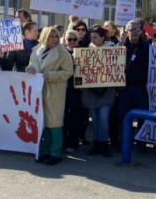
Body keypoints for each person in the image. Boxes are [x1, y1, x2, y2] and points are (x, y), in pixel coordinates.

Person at [26, 26, 74, 165]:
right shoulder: (36, 50)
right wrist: (29, 68)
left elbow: (68, 72)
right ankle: (46, 151)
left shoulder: (62, 53)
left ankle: (56, 153)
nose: (54, 39)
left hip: (54, 91)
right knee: (43, 122)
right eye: (51, 36)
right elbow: (33, 64)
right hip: (38, 91)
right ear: (44, 37)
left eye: (56, 37)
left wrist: (51, 75)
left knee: (55, 123)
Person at [82, 27, 117, 157]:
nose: (92, 40)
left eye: (95, 37)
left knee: (103, 117)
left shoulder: (112, 50)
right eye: (91, 37)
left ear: (103, 38)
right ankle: (96, 143)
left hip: (106, 90)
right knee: (95, 118)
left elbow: (116, 69)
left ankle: (103, 143)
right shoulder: (87, 51)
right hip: (91, 90)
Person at [117, 19, 150, 152]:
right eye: (132, 29)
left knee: (142, 116)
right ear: (127, 31)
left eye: (137, 29)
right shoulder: (119, 47)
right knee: (124, 117)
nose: (135, 32)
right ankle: (126, 142)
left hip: (140, 88)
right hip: (124, 88)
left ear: (141, 31)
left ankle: (141, 143)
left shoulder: (147, 47)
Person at [62, 29, 87, 153]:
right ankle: (63, 142)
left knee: (75, 117)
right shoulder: (60, 53)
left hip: (77, 90)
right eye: (69, 39)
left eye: (74, 39)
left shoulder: (84, 53)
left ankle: (73, 143)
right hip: (63, 89)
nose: (72, 41)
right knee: (63, 117)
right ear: (65, 40)